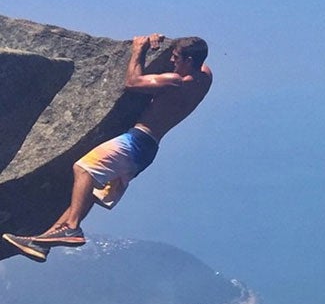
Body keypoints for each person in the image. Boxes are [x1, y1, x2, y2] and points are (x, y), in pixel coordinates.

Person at [2, 33, 213, 262]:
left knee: (84, 168)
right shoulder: (205, 77)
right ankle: (42, 243)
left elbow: (132, 82)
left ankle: (71, 228)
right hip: (147, 151)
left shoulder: (176, 81)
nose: (172, 61)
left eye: (176, 58)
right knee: (91, 193)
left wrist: (139, 49)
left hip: (136, 142)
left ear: (189, 62)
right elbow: (196, 55)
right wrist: (161, 42)